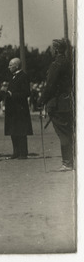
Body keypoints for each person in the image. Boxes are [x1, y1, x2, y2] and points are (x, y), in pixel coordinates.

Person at [39, 39, 75, 171]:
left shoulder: (56, 65)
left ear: (55, 50)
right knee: (70, 132)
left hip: (58, 104)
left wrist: (41, 100)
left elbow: (50, 86)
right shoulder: (69, 63)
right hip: (69, 102)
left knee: (63, 134)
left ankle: (67, 162)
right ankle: (72, 161)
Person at [0, 58, 33, 160]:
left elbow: (26, 92)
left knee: (21, 131)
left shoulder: (23, 76)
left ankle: (23, 153)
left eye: (10, 65)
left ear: (16, 66)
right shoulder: (12, 77)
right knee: (13, 130)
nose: (9, 67)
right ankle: (16, 152)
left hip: (20, 108)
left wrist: (12, 94)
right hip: (12, 108)